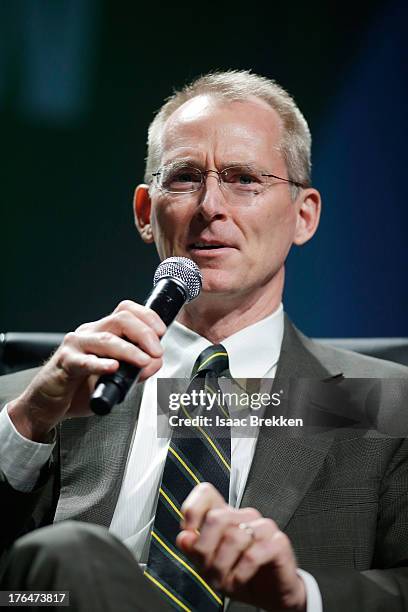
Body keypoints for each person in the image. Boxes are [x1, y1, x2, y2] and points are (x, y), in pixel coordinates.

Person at [1, 70, 407, 612]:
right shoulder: (37, 403)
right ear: (147, 213)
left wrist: (302, 595)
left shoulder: (389, 402)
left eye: (244, 179)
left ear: (304, 215)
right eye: (186, 177)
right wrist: (28, 421)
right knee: (68, 553)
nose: (211, 205)